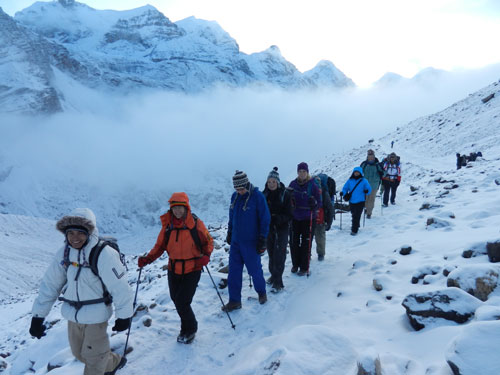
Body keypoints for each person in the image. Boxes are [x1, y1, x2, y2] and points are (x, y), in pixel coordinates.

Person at [30, 208, 133, 375]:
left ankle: (102, 364)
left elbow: (120, 287)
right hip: (73, 316)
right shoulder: (64, 253)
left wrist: (124, 316)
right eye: (70, 233)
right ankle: (113, 362)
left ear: (89, 233)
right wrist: (38, 316)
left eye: (80, 233)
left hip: (96, 316)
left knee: (94, 361)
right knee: (80, 353)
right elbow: (50, 285)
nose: (75, 238)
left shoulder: (103, 253)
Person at [138, 192, 213, 344]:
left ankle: (190, 328)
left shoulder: (196, 224)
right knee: (176, 299)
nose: (177, 211)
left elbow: (208, 241)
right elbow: (160, 246)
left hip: (193, 268)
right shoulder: (168, 226)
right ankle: (185, 328)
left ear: (186, 208)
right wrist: (147, 259)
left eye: (180, 208)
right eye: (174, 208)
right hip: (174, 269)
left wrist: (206, 256)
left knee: (183, 302)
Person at [222, 171, 271, 312]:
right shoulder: (235, 197)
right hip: (236, 242)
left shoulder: (257, 197)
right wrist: (230, 232)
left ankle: (261, 293)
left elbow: (265, 218)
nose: (239, 191)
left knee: (254, 270)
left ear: (246, 184)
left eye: (241, 189)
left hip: (251, 241)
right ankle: (234, 300)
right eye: (237, 189)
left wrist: (263, 238)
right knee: (234, 272)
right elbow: (232, 216)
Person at [262, 167, 293, 292]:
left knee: (279, 254)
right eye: (269, 182)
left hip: (282, 228)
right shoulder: (264, 194)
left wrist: (277, 218)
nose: (271, 184)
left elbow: (290, 214)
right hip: (269, 228)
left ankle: (278, 282)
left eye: (273, 181)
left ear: (278, 182)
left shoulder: (285, 195)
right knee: (271, 253)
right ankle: (273, 275)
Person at [288, 162, 322, 276]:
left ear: (307, 172)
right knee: (294, 242)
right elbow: (287, 198)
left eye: (304, 171)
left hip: (309, 218)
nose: (302, 173)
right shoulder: (293, 184)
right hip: (295, 217)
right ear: (297, 172)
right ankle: (295, 264)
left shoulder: (313, 185)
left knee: (306, 243)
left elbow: (319, 201)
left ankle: (304, 266)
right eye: (300, 171)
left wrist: (315, 203)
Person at [341, 167, 372, 235]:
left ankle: (354, 230)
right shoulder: (350, 180)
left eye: (358, 172)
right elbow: (345, 188)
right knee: (353, 214)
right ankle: (356, 224)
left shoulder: (364, 181)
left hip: (360, 201)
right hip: (352, 201)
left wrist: (367, 191)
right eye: (355, 172)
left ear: (360, 173)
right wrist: (343, 193)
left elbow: (369, 189)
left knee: (356, 215)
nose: (356, 173)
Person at [313, 174, 334, 261]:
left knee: (310, 238)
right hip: (320, 218)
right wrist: (329, 222)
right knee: (320, 237)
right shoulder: (324, 193)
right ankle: (320, 254)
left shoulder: (322, 193)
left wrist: (329, 222)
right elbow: (330, 209)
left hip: (313, 218)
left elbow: (330, 208)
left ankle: (310, 254)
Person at [360, 149, 384, 218]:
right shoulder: (364, 164)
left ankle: (369, 213)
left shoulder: (378, 165)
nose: (370, 158)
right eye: (369, 156)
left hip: (374, 185)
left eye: (372, 156)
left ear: (374, 156)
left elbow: (384, 173)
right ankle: (366, 208)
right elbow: (359, 172)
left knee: (371, 199)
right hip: (365, 185)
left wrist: (382, 173)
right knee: (365, 199)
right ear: (367, 156)